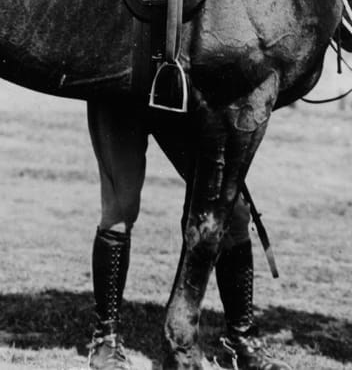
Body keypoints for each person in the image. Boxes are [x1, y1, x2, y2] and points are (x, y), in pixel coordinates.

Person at [85, 101, 289, 370]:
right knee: (119, 210)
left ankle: (241, 340)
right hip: (122, 93)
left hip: (184, 99)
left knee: (233, 212)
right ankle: (106, 339)